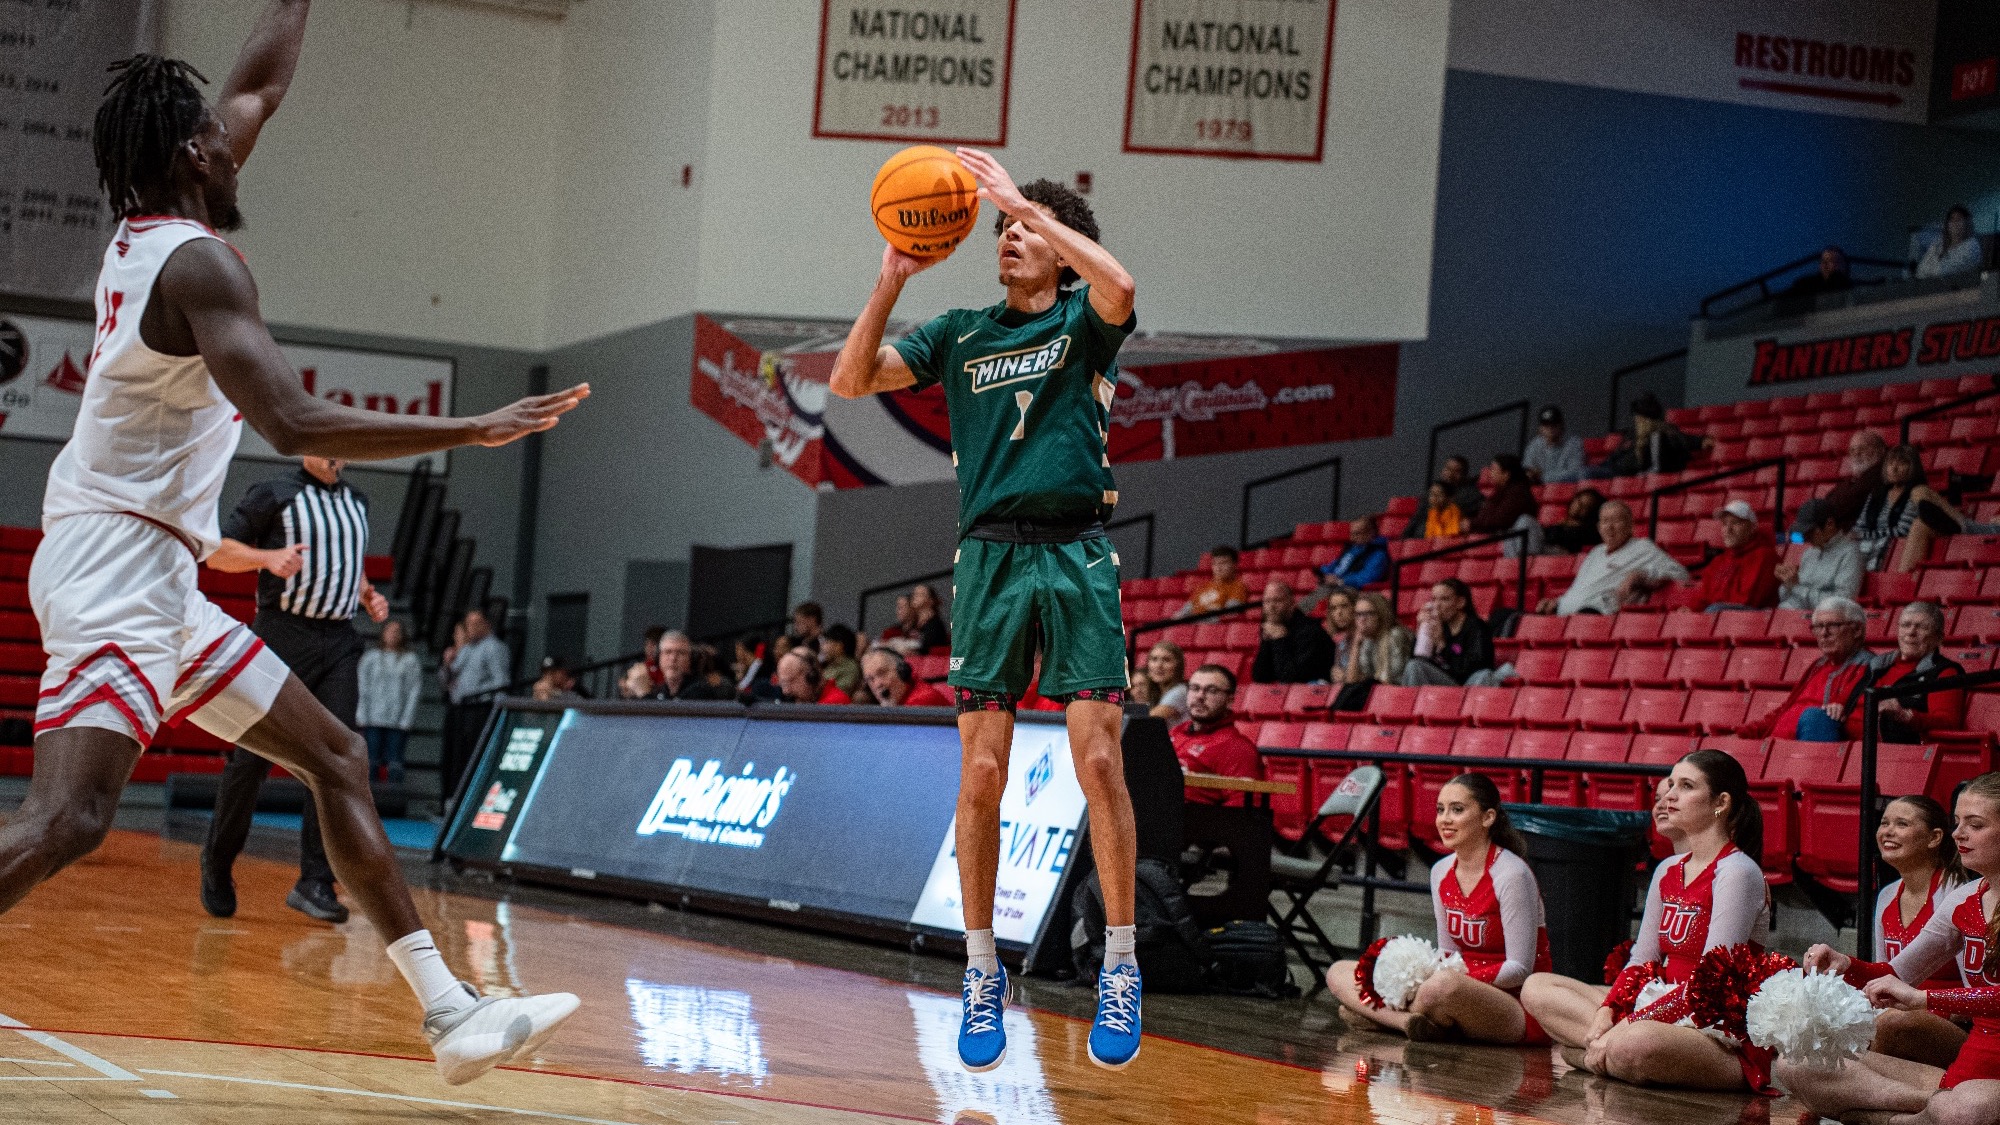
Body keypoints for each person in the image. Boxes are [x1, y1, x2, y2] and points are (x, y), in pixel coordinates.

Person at [16, 7, 589, 1084]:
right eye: (218, 137)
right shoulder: (196, 269)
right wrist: (470, 427)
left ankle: (449, 1010)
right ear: (192, 154)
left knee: (334, 755)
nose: (240, 141)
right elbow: (295, 425)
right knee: (71, 818)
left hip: (153, 567)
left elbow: (258, 90)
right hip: (116, 566)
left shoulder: (156, 231)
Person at [829, 149, 1145, 1070]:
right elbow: (852, 379)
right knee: (979, 776)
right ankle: (979, 970)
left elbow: (1121, 279)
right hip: (992, 558)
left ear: (1058, 245)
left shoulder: (1089, 320)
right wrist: (890, 278)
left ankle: (1121, 965)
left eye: (1023, 230)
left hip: (1078, 551)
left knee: (1096, 758)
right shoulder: (961, 329)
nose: (1007, 237)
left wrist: (1024, 202)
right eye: (1001, 229)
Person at [199, 454, 389, 924]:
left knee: (338, 758)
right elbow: (218, 550)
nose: (333, 451)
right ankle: (218, 861)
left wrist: (366, 593)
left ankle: (315, 881)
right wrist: (266, 558)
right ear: (304, 446)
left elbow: (347, 560)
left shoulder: (357, 501)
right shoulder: (274, 493)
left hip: (340, 639)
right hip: (282, 634)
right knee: (251, 759)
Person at [1521, 750, 1771, 1092]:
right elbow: (1643, 959)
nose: (1669, 796)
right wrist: (1609, 1012)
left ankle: (1590, 1053)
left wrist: (1632, 1023)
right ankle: (1606, 1051)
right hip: (1657, 1004)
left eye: (1685, 786)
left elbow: (1711, 982)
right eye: (1670, 785)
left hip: (1714, 1022)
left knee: (1634, 1042)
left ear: (1721, 802)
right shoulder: (1668, 870)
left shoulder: (1738, 872)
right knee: (1537, 988)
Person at [1778, 773, 2000, 1123]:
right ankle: (1925, 1109)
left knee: (1966, 1106)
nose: (1959, 834)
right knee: (1796, 1062)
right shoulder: (1964, 899)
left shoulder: (1952, 889)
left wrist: (1927, 1000)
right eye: (1957, 822)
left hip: (1983, 1083)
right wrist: (1844, 964)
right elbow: (1897, 972)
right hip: (1963, 1072)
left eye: (1975, 825)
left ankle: (1917, 1113)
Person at [1330, 774, 1551, 1045]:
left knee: (1440, 987)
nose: (1444, 819)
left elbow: (1519, 969)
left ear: (1488, 817)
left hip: (1515, 1004)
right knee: (1340, 971)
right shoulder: (1440, 871)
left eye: (1457, 810)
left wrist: (1450, 976)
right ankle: (1407, 1022)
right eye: (1440, 810)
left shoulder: (1512, 874)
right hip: (1450, 988)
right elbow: (1448, 952)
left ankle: (1377, 1016)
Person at [1863, 795, 1971, 1067]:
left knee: (1891, 1023)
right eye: (1884, 822)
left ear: (1934, 838)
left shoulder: (1956, 892)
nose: (1887, 831)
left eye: (1901, 824)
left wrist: (1918, 1006)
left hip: (1958, 1024)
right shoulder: (1887, 895)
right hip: (1899, 1018)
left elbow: (1976, 991)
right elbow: (1883, 974)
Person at [1742, 596, 1873, 741]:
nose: (1824, 634)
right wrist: (1746, 732)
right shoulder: (1817, 666)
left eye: (1833, 625)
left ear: (1857, 630)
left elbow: (1859, 724)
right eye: (1818, 627)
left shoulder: (1872, 668)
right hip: (1774, 747)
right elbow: (1787, 709)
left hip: (1805, 755)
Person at [1538, 501, 1688, 615]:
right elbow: (1580, 589)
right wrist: (1557, 601)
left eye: (1616, 521)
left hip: (1598, 616)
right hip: (1564, 615)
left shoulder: (1643, 547)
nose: (1609, 527)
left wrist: (1640, 574)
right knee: (1516, 618)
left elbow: (1681, 573)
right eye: (1605, 521)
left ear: (1630, 525)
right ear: (1598, 527)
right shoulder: (1596, 552)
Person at [1858, 445, 1977, 574]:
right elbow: (1859, 527)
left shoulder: (1915, 494)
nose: (1894, 468)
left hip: (1898, 547)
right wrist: (1861, 535)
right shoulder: (1875, 495)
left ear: (1912, 468)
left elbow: (1903, 530)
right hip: (1874, 545)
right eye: (1890, 463)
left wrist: (1865, 535)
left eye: (1901, 463)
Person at [1870, 602, 1968, 743]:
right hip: (1852, 747)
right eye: (1905, 625)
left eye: (1922, 627)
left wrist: (1905, 715)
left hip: (1900, 754)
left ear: (1939, 638)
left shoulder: (1944, 671)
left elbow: (1948, 723)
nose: (1911, 632)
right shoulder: (1877, 666)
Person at [1168, 664, 1261, 805]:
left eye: (1211, 690)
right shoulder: (1175, 732)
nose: (1200, 696)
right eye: (1194, 688)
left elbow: (1243, 808)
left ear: (1230, 700)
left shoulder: (1236, 748)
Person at [442, 608, 509, 799]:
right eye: (468, 623)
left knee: (472, 756)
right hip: (460, 708)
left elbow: (501, 682)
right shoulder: (467, 649)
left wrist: (487, 704)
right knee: (455, 758)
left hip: (479, 710)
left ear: (486, 624)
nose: (470, 628)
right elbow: (452, 677)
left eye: (475, 623)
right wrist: (448, 663)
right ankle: (451, 800)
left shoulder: (494, 647)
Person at [1401, 579, 1503, 688]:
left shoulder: (1477, 628)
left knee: (1484, 675)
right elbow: (1418, 658)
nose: (1436, 605)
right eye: (1434, 599)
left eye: (1444, 599)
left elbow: (1471, 669)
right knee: (1413, 666)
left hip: (1468, 685)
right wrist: (1421, 632)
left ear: (1460, 602)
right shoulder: (1438, 625)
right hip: (1444, 686)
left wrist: (1443, 645)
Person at [357, 618, 420, 784]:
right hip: (373, 717)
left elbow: (413, 691)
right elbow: (363, 686)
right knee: (371, 759)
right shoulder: (371, 657)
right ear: (383, 633)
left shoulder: (410, 660)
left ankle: (393, 797)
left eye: (397, 632)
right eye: (390, 631)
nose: (393, 635)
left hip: (398, 719)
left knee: (395, 760)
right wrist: (362, 714)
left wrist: (407, 718)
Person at [1690, 499, 1778, 611]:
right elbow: (1703, 597)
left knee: (1715, 610)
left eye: (1735, 523)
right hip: (1719, 617)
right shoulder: (1719, 560)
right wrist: (1690, 610)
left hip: (1749, 621)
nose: (1728, 529)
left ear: (1752, 528)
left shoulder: (1765, 557)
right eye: (1724, 524)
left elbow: (1748, 600)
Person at [1777, 498, 1863, 611]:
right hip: (1790, 614)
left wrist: (1795, 587)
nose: (1807, 538)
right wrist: (1787, 582)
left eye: (1811, 532)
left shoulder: (1850, 553)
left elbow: (1841, 602)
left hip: (1821, 620)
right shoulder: (1809, 553)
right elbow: (1786, 597)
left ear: (1830, 524)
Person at [1334, 592, 1413, 712]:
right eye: (1358, 615)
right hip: (1380, 696)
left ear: (1380, 615)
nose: (1362, 620)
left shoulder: (1395, 635)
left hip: (1399, 698)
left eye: (1368, 614)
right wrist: (1356, 644)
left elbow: (1391, 680)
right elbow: (1351, 681)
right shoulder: (1367, 639)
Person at [1251, 579, 1336, 684]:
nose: (1271, 607)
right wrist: (1266, 641)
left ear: (1292, 603)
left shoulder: (1310, 631)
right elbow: (1260, 677)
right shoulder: (1274, 627)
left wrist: (1280, 641)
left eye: (1277, 601)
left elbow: (1291, 679)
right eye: (1267, 601)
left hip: (1316, 692)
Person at [1605, 393, 1706, 478]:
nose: (1636, 421)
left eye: (1639, 418)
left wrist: (1701, 441)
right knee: (1591, 471)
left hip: (1626, 473)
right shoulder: (1632, 435)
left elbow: (1683, 440)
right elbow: (1616, 456)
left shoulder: (1663, 434)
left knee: (1590, 473)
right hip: (1615, 469)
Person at [1470, 453, 1540, 554]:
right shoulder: (1500, 492)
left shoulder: (1518, 493)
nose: (1490, 473)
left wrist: (1472, 523)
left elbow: (1500, 519)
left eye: (1493, 469)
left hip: (1519, 545)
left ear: (1506, 474)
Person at [1825, 429, 1888, 531]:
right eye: (1852, 450)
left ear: (1880, 451)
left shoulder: (1882, 474)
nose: (1856, 454)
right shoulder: (1854, 479)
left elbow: (1845, 502)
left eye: (1862, 448)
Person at [650, 629, 732, 701]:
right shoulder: (659, 692)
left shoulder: (700, 691)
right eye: (667, 652)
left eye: (680, 653)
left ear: (691, 659)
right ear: (658, 657)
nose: (673, 658)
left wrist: (644, 695)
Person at [1317, 515, 1390, 592]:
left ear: (1370, 533)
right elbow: (1335, 565)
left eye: (1357, 534)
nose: (1352, 538)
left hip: (1352, 591)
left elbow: (1366, 578)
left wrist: (1340, 581)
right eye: (1351, 534)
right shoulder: (1351, 549)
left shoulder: (1378, 554)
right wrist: (1324, 574)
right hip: (1334, 588)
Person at [862, 648, 950, 707]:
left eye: (882, 673)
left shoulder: (923, 700)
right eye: (870, 679)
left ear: (902, 671)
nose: (877, 684)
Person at [1522, 405, 1585, 485]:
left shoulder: (1573, 443)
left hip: (1564, 489)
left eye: (1554, 424)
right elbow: (1527, 469)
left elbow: (1576, 473)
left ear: (1562, 426)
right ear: (1540, 428)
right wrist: (1531, 474)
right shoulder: (1534, 444)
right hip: (1540, 488)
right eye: (1546, 425)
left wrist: (1543, 476)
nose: (1550, 428)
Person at [1916, 206, 1982, 280]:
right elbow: (1920, 271)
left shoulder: (1972, 245)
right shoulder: (1938, 245)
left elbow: (1944, 271)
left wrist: (1930, 270)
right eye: (1952, 220)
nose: (1955, 223)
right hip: (1931, 286)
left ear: (1967, 223)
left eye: (1959, 219)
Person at [1180, 546, 1249, 617]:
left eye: (1223, 563)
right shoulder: (1202, 587)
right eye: (1215, 563)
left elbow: (1229, 615)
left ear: (1235, 565)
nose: (1218, 568)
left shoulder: (1238, 587)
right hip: (1192, 624)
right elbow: (1183, 613)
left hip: (1212, 626)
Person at [1541, 488, 1605, 556]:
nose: (1579, 507)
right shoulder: (1559, 524)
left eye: (1586, 507)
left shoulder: (1585, 533)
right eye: (1579, 501)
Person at [775, 648, 850, 705]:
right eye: (783, 683)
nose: (786, 691)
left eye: (791, 681)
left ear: (812, 677)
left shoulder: (836, 702)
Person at [1141, 640, 1189, 724]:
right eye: (1154, 659)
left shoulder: (1179, 691)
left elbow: (1143, 723)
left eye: (1166, 660)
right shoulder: (1158, 692)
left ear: (1178, 666)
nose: (1159, 665)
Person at [1784, 245, 1853, 297]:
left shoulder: (1854, 287)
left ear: (1844, 265)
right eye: (1823, 262)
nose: (1827, 265)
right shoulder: (1806, 285)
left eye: (1835, 261)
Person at [819, 623, 863, 697]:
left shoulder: (850, 668)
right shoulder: (827, 665)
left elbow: (841, 694)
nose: (822, 648)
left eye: (826, 642)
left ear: (839, 646)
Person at [1321, 588, 1358, 676]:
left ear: (1356, 607)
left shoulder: (1368, 639)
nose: (1339, 612)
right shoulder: (1337, 640)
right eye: (1333, 608)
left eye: (1344, 606)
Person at [907, 583, 951, 655]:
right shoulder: (913, 624)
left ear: (931, 600)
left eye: (920, 594)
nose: (915, 596)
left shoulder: (935, 624)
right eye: (914, 594)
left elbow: (927, 649)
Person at [1438, 455, 1484, 520]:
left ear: (1465, 475)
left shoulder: (1471, 495)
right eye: (1448, 469)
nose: (1450, 474)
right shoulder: (1432, 492)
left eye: (1456, 471)